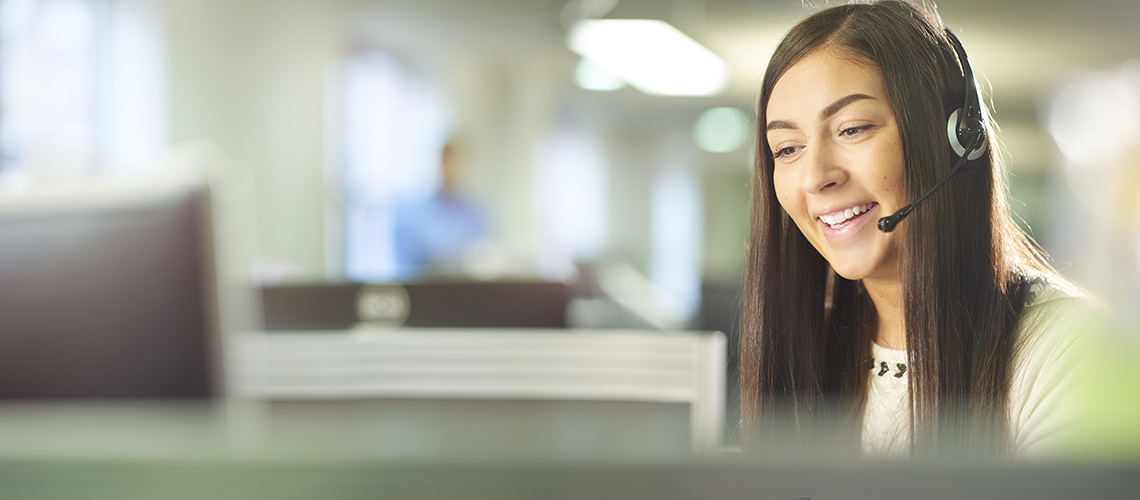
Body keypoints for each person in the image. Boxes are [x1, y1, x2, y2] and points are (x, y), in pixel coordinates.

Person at [739, 0, 1093, 459]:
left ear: (955, 142)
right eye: (787, 149)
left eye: (852, 129)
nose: (814, 176)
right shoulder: (809, 345)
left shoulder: (1064, 347)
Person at [393, 140, 489, 279]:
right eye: (447, 161)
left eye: (456, 162)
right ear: (440, 163)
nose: (451, 168)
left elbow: (486, 259)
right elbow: (407, 268)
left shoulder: (477, 213)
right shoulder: (412, 213)